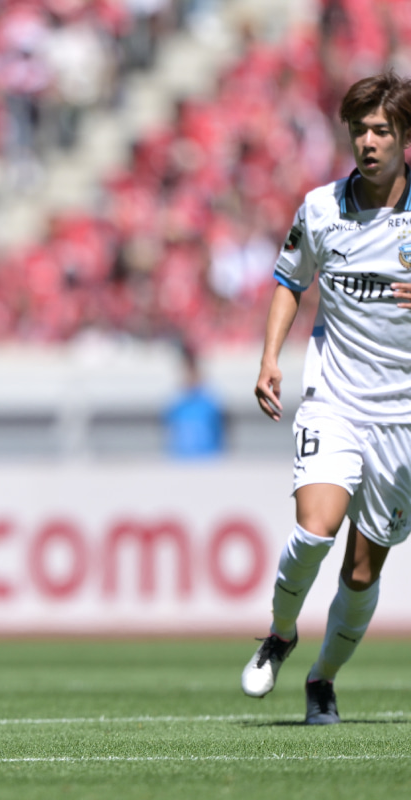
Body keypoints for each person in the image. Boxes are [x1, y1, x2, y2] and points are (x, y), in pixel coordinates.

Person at [242, 71, 411, 725]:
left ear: (404, 137)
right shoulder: (320, 208)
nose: (368, 142)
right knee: (315, 530)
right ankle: (280, 634)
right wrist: (269, 359)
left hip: (403, 418)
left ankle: (322, 679)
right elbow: (290, 281)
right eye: (359, 130)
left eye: (381, 131)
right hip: (335, 399)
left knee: (362, 573)